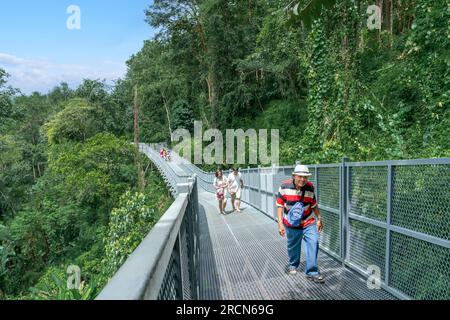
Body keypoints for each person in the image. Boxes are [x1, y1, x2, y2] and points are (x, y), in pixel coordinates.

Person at [276, 164, 325, 283]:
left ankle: (312, 272)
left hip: (308, 221)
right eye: (300, 176)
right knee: (293, 246)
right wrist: (280, 223)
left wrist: (319, 218)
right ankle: (293, 265)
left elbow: (313, 205)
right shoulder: (284, 186)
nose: (303, 179)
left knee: (314, 242)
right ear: (294, 176)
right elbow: (280, 205)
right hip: (292, 223)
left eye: (305, 177)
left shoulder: (310, 187)